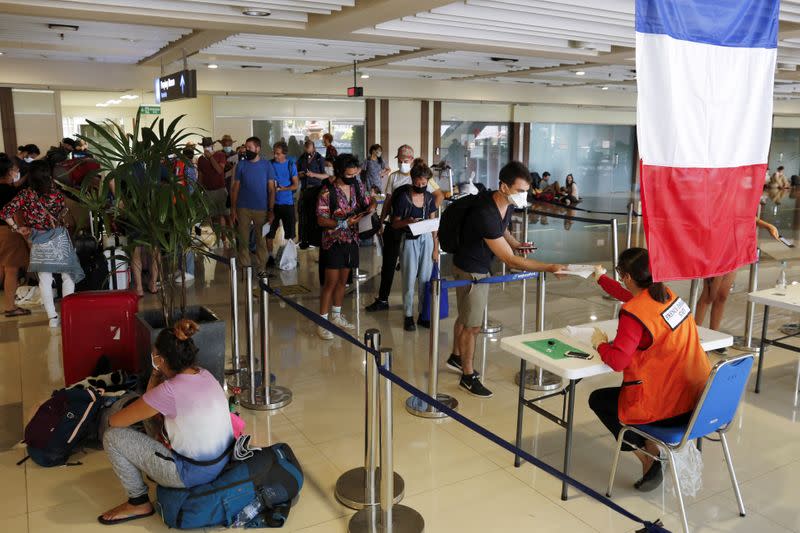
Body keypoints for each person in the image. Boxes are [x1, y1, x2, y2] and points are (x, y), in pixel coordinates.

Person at [587, 249, 712, 492]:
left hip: (665, 405)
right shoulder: (668, 295)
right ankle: (651, 451)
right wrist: (601, 279)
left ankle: (648, 455)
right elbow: (630, 296)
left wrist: (599, 343)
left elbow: (618, 361)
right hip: (696, 400)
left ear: (628, 277)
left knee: (599, 400)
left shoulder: (633, 314)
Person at [98, 319, 233, 525]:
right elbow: (151, 404)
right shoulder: (205, 374)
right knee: (152, 418)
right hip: (222, 462)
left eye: (154, 356)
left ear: (160, 360)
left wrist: (155, 372)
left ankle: (138, 502)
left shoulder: (169, 391)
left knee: (112, 437)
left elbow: (115, 422)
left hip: (191, 473)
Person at [447, 161, 563, 398]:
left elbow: (502, 230)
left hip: (475, 263)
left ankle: (456, 357)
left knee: (466, 315)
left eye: (526, 191)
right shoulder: (484, 212)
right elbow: (510, 261)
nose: (524, 196)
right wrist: (549, 267)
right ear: (504, 186)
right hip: (472, 269)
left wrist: (516, 243)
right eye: (520, 191)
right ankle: (467, 376)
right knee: (473, 325)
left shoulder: (505, 203)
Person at [0, 160, 84, 328]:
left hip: (38, 240)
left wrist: (17, 228)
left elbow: (5, 212)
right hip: (59, 238)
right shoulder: (57, 194)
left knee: (45, 279)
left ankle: (52, 318)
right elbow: (63, 214)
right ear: (48, 175)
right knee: (67, 276)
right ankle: (67, 314)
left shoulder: (25, 195)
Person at [365, 146, 443, 313]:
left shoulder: (422, 176)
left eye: (405, 161)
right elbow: (388, 201)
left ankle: (419, 308)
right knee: (388, 264)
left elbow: (439, 195)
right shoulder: (394, 177)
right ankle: (383, 299)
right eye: (399, 160)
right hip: (397, 224)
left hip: (417, 229)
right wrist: (381, 220)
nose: (401, 163)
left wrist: (427, 212)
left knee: (418, 270)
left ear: (412, 160)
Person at [316, 154, 376, 340]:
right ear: (340, 172)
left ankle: (336, 315)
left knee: (344, 281)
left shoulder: (358, 186)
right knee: (330, 283)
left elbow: (368, 201)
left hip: (352, 240)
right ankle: (322, 321)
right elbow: (321, 219)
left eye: (354, 174)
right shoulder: (327, 191)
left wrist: (372, 206)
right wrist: (344, 223)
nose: (352, 178)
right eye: (349, 175)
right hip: (333, 241)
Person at [694, 218, 782, 345]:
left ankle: (715, 337)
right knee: (709, 296)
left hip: (732, 247)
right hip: (717, 244)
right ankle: (694, 338)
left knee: (722, 296)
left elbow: (744, 213)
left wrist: (767, 225)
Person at [391, 161, 438, 331]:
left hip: (426, 238)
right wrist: (407, 221)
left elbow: (433, 224)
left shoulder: (430, 198)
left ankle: (423, 314)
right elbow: (395, 224)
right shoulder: (404, 198)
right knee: (409, 278)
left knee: (425, 280)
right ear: (412, 181)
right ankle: (408, 315)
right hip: (409, 239)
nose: (421, 187)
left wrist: (435, 248)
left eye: (424, 184)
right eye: (418, 184)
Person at [230, 137, 276, 273]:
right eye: (245, 147)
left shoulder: (267, 165)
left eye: (249, 148)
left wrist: (271, 209)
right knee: (243, 239)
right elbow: (235, 188)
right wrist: (233, 209)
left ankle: (261, 267)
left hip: (261, 208)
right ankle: (245, 267)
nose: (246, 150)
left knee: (261, 240)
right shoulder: (241, 165)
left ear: (258, 149)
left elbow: (272, 189)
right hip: (242, 207)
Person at [0, 154, 30, 317]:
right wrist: (24, 233)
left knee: (2, 269)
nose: (15, 171)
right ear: (7, 172)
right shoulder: (10, 192)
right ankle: (10, 307)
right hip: (8, 233)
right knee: (11, 270)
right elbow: (16, 216)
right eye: (13, 169)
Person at [266, 141, 299, 267]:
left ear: (284, 153)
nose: (275, 156)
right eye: (274, 153)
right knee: (269, 233)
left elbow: (295, 184)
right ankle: (270, 257)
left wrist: (282, 189)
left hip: (287, 203)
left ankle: (292, 256)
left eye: (278, 154)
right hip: (272, 204)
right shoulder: (270, 164)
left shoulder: (291, 165)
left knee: (290, 233)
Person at [297, 140, 328, 249]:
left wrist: (313, 174)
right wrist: (301, 174)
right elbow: (297, 174)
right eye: (306, 150)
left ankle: (315, 240)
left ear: (313, 148)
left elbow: (325, 176)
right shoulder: (302, 158)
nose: (308, 152)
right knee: (303, 214)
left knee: (315, 215)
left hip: (316, 189)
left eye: (309, 149)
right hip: (305, 189)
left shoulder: (319, 158)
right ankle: (303, 239)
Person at [197, 137, 229, 235]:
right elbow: (201, 175)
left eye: (208, 146)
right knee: (209, 215)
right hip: (208, 191)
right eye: (205, 146)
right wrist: (199, 189)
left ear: (212, 145)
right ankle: (213, 237)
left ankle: (225, 238)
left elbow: (220, 170)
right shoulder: (201, 159)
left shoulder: (220, 155)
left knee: (223, 215)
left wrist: (211, 157)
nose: (206, 148)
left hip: (220, 189)